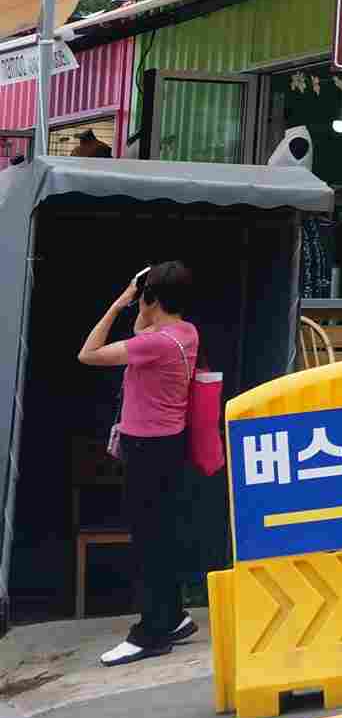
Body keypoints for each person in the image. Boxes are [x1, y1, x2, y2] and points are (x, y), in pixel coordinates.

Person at [77, 261, 199, 666]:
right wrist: (141, 303)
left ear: (152, 299)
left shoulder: (158, 343)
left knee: (149, 542)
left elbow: (88, 354)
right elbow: (141, 335)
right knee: (162, 536)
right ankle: (173, 617)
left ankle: (150, 633)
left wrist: (118, 303)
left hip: (148, 450)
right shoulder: (185, 333)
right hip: (167, 446)